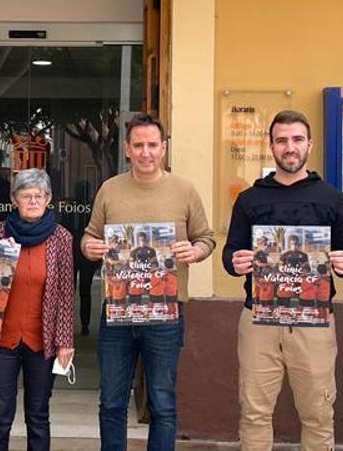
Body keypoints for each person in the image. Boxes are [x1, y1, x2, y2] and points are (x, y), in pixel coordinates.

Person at [223, 109, 343, 450]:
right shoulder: (250, 199)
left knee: (318, 411)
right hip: (259, 318)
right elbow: (230, 254)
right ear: (271, 146)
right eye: (282, 140)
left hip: (314, 321)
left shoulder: (330, 198)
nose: (290, 147)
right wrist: (235, 261)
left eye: (297, 139)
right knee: (254, 412)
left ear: (309, 145)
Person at [80, 112, 215, 450]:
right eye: (138, 145)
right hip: (118, 312)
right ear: (127, 149)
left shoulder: (184, 191)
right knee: (111, 401)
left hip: (166, 313)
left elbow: (207, 238)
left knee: (162, 403)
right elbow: (89, 238)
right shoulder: (109, 189)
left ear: (163, 148)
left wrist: (194, 251)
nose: (145, 152)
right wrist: (90, 247)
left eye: (152, 145)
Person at [0, 168, 76, 451]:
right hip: (2, 340)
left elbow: (64, 293)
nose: (33, 201)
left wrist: (65, 341)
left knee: (38, 416)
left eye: (39, 195)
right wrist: (0, 259)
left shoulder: (62, 238)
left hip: (41, 341)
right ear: (14, 199)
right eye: (26, 195)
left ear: (48, 199)